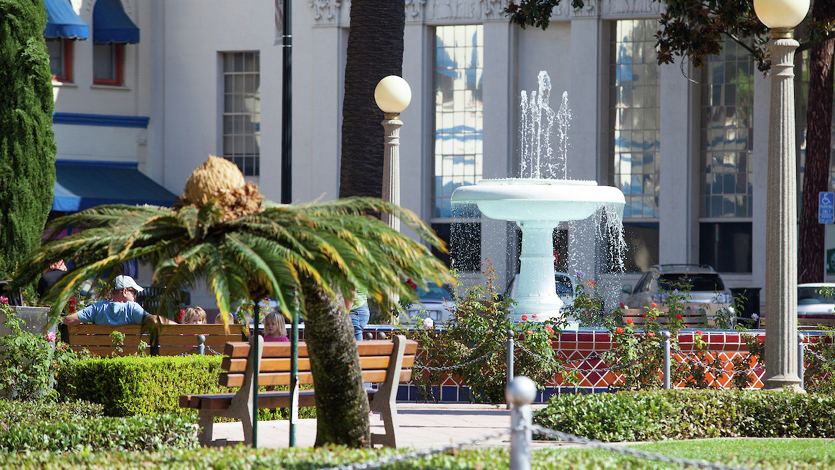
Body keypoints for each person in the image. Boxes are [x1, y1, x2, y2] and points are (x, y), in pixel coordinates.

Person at [62, 275, 173, 326]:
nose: (135, 297)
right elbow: (154, 321)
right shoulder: (131, 308)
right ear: (125, 291)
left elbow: (68, 320)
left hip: (101, 358)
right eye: (134, 293)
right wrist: (177, 326)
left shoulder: (98, 307)